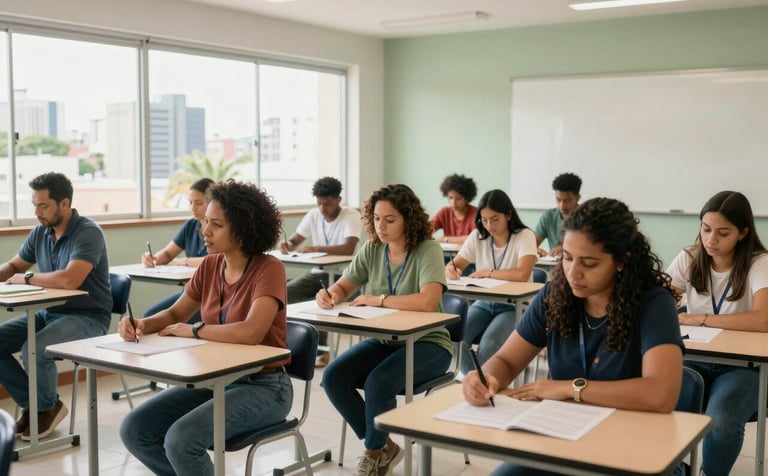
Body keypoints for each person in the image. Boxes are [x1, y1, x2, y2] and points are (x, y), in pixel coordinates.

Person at [463, 197, 684, 476]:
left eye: (589, 263)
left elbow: (661, 394)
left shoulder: (653, 304)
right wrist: (485, 378)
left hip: (636, 449)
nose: (573, 272)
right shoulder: (555, 296)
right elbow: (507, 359)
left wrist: (571, 388)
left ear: (621, 261)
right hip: (565, 440)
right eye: (567, 258)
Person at [118, 180, 292, 476]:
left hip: (263, 386)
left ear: (242, 229)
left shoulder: (269, 268)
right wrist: (142, 324)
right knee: (134, 429)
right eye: (205, 222)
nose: (205, 231)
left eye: (216, 225)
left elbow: (251, 332)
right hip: (217, 380)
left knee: (181, 440)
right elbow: (176, 312)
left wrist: (194, 330)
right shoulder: (210, 266)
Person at [316, 184, 452, 476]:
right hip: (386, 341)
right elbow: (345, 284)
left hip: (429, 344)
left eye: (390, 220)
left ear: (408, 219)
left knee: (379, 383)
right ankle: (387, 446)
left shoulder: (427, 249)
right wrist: (332, 295)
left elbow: (428, 301)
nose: (381, 226)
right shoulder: (373, 248)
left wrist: (377, 300)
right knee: (333, 377)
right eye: (377, 219)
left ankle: (373, 454)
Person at [0, 172, 112, 441]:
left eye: (43, 205)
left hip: (88, 316)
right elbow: (15, 265)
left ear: (65, 203)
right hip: (50, 313)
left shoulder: (88, 232)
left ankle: (43, 409)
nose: (37, 212)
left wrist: (27, 278)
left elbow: (70, 279)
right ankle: (40, 406)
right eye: (35, 205)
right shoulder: (41, 232)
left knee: (35, 348)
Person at [666, 191, 768, 476]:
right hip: (693, 357)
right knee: (659, 412)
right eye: (706, 229)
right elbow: (660, 298)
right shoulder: (690, 256)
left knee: (721, 421)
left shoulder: (760, 263)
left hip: (744, 367)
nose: (711, 240)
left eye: (723, 233)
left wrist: (702, 319)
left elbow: (763, 320)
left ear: (743, 232)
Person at [445, 189, 537, 374]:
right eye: (484, 220)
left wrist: (489, 272)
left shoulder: (524, 235)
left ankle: (483, 387)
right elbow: (455, 264)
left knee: (490, 345)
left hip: (514, 306)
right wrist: (452, 269)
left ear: (509, 215)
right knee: (455, 338)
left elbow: (522, 274)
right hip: (484, 303)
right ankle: (477, 384)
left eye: (495, 219)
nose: (489, 225)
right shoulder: (478, 236)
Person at [279, 176, 362, 366]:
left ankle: (321, 352)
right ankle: (297, 346)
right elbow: (296, 240)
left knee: (324, 301)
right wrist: (288, 244)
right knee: (283, 294)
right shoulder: (314, 214)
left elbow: (349, 248)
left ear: (339, 200)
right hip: (318, 274)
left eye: (328, 204)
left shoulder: (351, 215)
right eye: (319, 203)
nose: (323, 208)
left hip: (344, 276)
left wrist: (316, 248)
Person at [142, 177, 214, 322]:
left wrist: (183, 261)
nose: (193, 208)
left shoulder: (219, 229)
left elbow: (213, 261)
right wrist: (154, 258)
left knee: (165, 321)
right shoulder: (190, 226)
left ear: (212, 203)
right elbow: (168, 253)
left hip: (210, 295)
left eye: (199, 203)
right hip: (190, 292)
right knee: (149, 316)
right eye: (190, 202)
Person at [535, 172, 582, 257]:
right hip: (553, 266)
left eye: (567, 201)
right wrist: (535, 250)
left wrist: (564, 249)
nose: (562, 206)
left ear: (578, 198)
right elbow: (531, 245)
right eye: (558, 200)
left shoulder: (587, 217)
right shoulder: (548, 216)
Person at [431, 173, 478, 245]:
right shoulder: (444, 212)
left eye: (458, 198)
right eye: (450, 198)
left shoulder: (475, 213)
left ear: (467, 198)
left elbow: (474, 238)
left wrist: (445, 239)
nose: (453, 203)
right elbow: (427, 229)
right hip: (447, 254)